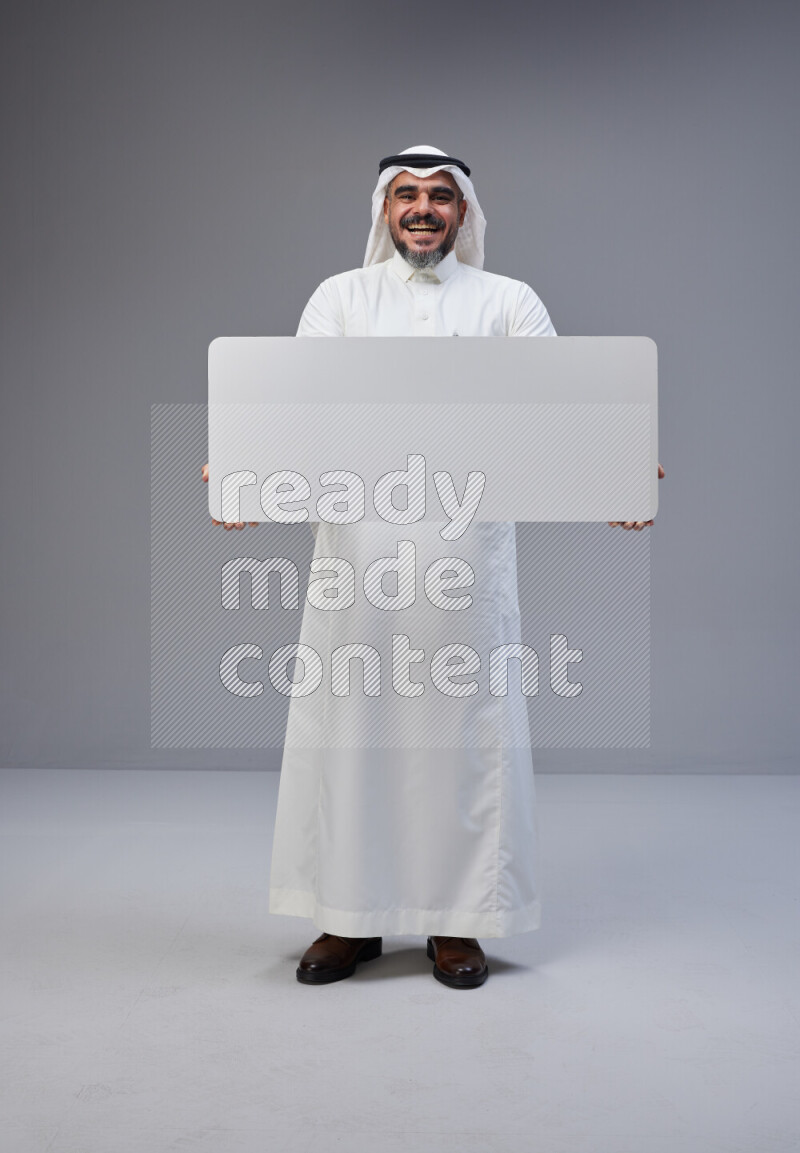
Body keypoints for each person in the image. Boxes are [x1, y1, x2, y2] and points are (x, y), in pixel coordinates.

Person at [202, 145, 662, 989]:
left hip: (464, 565)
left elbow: (563, 409)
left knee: (461, 738)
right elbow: (291, 407)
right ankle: (348, 918)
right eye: (406, 195)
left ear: (464, 213)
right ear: (383, 210)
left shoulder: (508, 303)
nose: (422, 208)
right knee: (355, 734)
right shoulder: (339, 299)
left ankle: (460, 923)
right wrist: (241, 463)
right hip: (358, 563)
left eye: (440, 196)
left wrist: (619, 466)